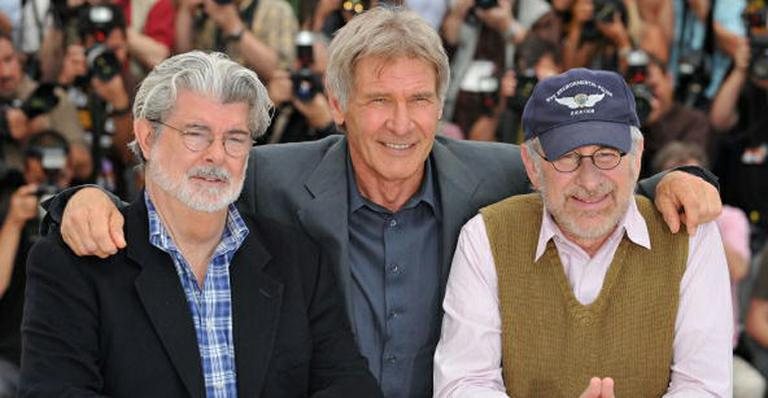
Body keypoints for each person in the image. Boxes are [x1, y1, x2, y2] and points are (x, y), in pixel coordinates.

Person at [48, 7, 723, 398]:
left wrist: (672, 182)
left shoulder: (491, 176)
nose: (402, 124)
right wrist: (82, 197)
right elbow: (191, 174)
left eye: (419, 100)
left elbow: (586, 180)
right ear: (340, 105)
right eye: (379, 101)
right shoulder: (274, 175)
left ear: (441, 106)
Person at [19, 51, 379, 397]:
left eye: (235, 138)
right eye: (196, 133)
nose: (216, 154)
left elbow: (349, 385)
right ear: (147, 137)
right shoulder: (73, 263)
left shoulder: (298, 259)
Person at [433, 68, 733, 397]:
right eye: (567, 157)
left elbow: (704, 387)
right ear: (532, 166)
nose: (589, 181)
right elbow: (464, 384)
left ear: (637, 156)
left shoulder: (688, 235)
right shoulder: (486, 236)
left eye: (606, 154)